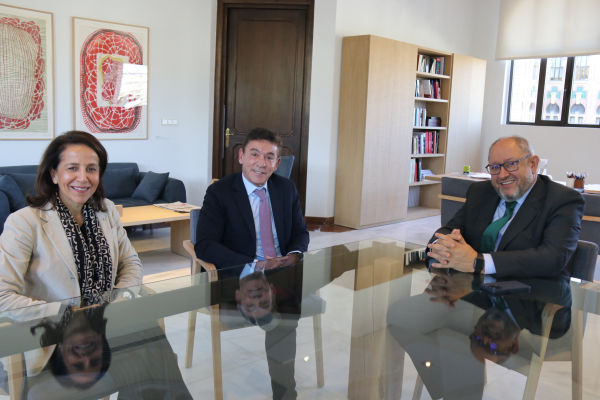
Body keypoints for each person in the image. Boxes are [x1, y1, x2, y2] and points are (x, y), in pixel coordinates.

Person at [0, 130, 143, 312]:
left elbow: (130, 262)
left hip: (109, 319)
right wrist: (65, 315)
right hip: (53, 330)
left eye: (91, 169)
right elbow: (3, 295)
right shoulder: (24, 222)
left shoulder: (107, 210)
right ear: (54, 174)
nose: (83, 178)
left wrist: (125, 296)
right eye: (72, 168)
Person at [426, 135, 584, 278]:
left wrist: (478, 262)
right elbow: (449, 230)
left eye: (511, 164)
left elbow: (553, 258)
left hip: (533, 296)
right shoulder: (480, 192)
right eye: (495, 167)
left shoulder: (563, 199)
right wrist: (443, 248)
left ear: (533, 164)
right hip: (473, 291)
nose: (502, 175)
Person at [194, 127, 309, 270]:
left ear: (277, 164)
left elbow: (300, 232)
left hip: (283, 271)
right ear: (241, 156)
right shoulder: (219, 192)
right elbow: (205, 245)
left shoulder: (287, 188)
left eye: (269, 157)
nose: (261, 163)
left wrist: (293, 255)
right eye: (255, 154)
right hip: (243, 273)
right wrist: (256, 265)